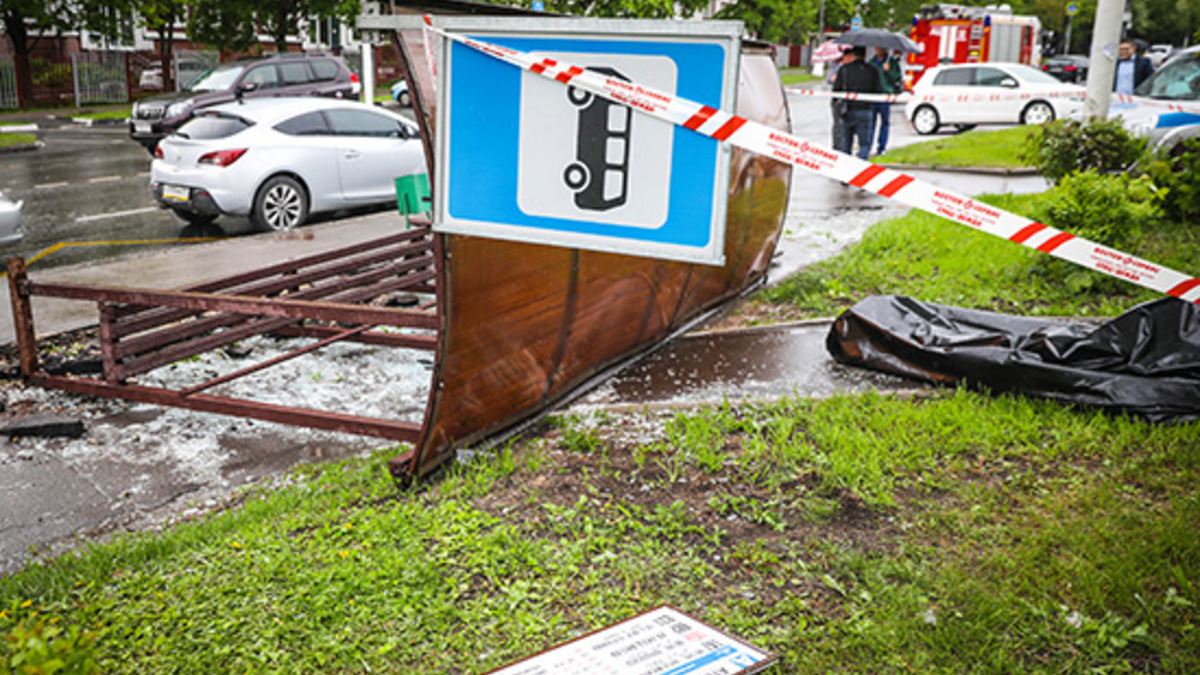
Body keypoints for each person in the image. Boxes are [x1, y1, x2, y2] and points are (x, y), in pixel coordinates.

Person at [832, 46, 883, 160]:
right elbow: (878, 91)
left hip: (847, 110)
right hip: (865, 111)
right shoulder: (872, 70)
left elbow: (836, 91)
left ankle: (845, 172)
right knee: (864, 144)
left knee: (846, 144)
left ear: (853, 55)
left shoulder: (844, 70)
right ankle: (861, 172)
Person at [869, 47, 903, 156]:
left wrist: (889, 72)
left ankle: (882, 147)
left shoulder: (891, 62)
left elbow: (897, 78)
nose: (878, 50)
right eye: (877, 48)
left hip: (885, 96)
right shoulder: (872, 62)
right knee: (871, 123)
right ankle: (868, 146)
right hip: (873, 95)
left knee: (885, 122)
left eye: (880, 49)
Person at [828, 51, 849, 148]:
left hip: (847, 99)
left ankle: (843, 145)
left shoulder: (849, 68)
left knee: (844, 125)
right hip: (838, 100)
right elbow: (829, 79)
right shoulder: (838, 67)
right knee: (838, 124)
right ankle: (837, 145)